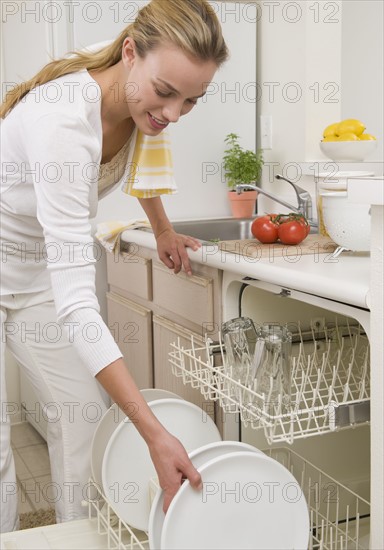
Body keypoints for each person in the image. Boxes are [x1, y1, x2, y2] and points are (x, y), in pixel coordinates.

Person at [0, 0, 228, 532]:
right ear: (130, 52)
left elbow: (143, 161)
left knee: (82, 420)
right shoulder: (62, 123)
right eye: (167, 92)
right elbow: (78, 304)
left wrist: (164, 228)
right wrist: (153, 433)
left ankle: (76, 539)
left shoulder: (137, 105)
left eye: (191, 100)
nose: (173, 114)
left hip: (35, 276)